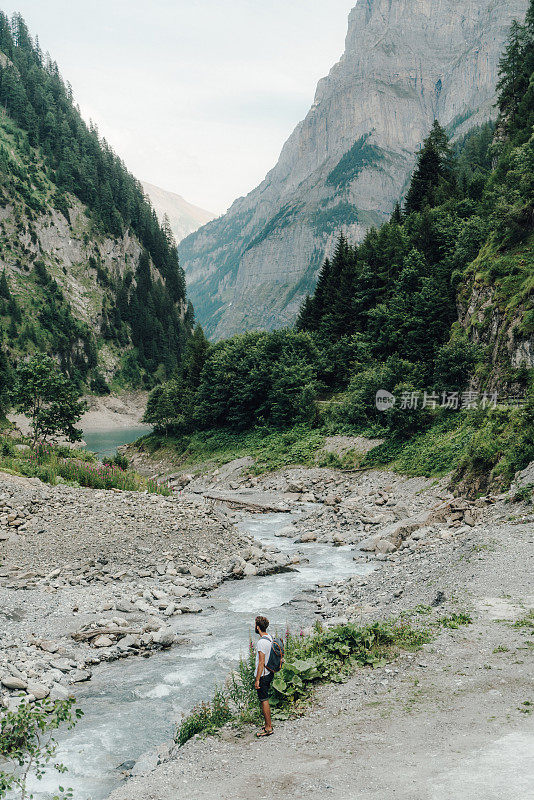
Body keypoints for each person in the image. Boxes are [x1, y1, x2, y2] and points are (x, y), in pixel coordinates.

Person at [254, 615, 274, 738]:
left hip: (263, 675)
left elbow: (261, 662)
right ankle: (268, 724)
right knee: (265, 699)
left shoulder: (261, 642)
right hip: (270, 672)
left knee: (264, 700)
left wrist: (257, 679)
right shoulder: (270, 638)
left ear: (257, 627)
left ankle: (268, 728)